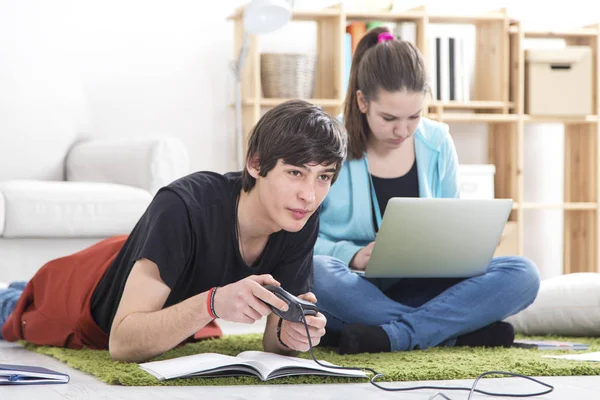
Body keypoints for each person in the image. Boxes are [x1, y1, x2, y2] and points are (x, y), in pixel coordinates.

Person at [0, 99, 347, 363]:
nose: (310, 194)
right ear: (256, 163)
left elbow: (274, 340)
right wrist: (214, 302)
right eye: (296, 173)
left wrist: (293, 336)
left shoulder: (299, 215)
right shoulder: (183, 205)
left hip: (154, 272)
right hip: (84, 294)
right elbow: (121, 343)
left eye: (324, 177)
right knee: (17, 307)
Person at [312, 27, 541, 355]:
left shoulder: (437, 142)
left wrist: (461, 251)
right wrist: (351, 254)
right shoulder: (328, 143)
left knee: (523, 273)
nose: (402, 130)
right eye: (389, 117)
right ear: (362, 101)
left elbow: (451, 220)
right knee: (319, 275)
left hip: (429, 286)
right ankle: (450, 332)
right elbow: (301, 240)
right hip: (357, 287)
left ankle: (392, 334)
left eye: (414, 116)